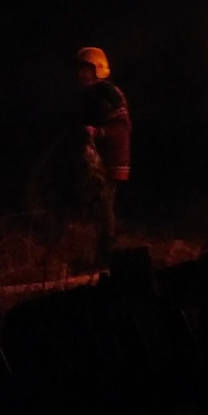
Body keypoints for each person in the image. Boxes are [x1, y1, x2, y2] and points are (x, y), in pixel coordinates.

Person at [73, 45, 132, 265]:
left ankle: (105, 258)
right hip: (93, 158)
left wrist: (98, 132)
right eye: (79, 69)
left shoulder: (107, 93)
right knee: (95, 207)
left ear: (98, 69)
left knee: (104, 207)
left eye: (86, 69)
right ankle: (94, 254)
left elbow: (121, 125)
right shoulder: (87, 95)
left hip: (109, 158)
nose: (81, 74)